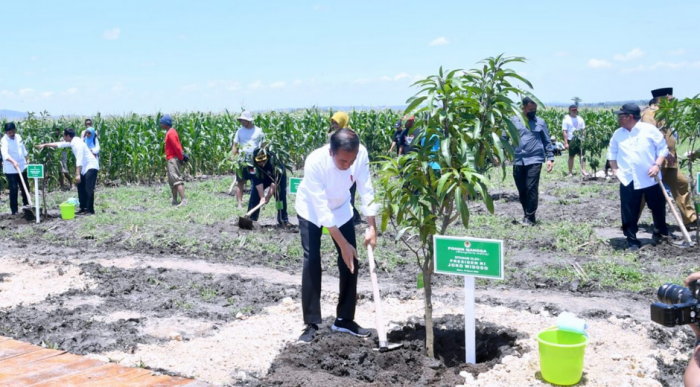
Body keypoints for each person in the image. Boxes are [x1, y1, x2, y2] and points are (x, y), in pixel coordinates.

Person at [295, 128, 378, 344]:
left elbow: (366, 189)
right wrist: (342, 243)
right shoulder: (315, 162)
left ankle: (344, 319)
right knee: (312, 260)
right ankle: (312, 323)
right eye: (342, 161)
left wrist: (372, 226)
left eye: (351, 161)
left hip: (341, 208)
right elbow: (321, 209)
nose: (347, 165)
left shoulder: (361, 156)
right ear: (331, 152)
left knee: (351, 261)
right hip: (311, 209)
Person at [607, 103, 673, 251]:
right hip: (627, 178)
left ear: (629, 117)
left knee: (657, 207)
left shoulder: (649, 130)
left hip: (650, 177)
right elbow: (612, 152)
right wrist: (615, 170)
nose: (618, 119)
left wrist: (657, 165)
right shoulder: (618, 134)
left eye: (621, 116)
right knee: (629, 210)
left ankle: (660, 232)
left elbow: (662, 148)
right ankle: (631, 240)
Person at [640, 87, 697, 229]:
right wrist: (665, 152)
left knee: (681, 183)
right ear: (662, 99)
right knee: (643, 194)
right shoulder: (649, 114)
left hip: (670, 162)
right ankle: (630, 221)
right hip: (656, 161)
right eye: (670, 99)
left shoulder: (665, 114)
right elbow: (650, 137)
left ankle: (690, 219)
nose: (673, 102)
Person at [508, 97, 555, 225]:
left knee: (531, 188)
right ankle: (527, 215)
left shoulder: (540, 122)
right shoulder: (513, 121)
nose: (533, 111)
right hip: (518, 159)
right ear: (523, 108)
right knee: (522, 189)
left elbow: (547, 141)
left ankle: (529, 217)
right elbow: (503, 137)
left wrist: (550, 158)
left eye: (535, 109)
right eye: (530, 109)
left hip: (535, 159)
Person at [36, 128, 99, 215]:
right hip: (84, 168)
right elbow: (59, 144)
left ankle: (90, 210)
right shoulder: (73, 141)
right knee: (80, 187)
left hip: (91, 166)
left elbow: (79, 160)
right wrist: (45, 145)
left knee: (88, 188)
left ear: (68, 136)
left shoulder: (78, 144)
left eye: (64, 135)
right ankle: (83, 208)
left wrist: (77, 174)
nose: (63, 137)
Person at [330, 112, 364, 225]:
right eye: (333, 123)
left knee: (349, 195)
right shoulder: (334, 135)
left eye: (337, 122)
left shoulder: (351, 136)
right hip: (336, 171)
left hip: (349, 171)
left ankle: (352, 218)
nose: (335, 125)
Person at [247, 147, 291, 227]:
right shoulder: (251, 165)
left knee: (280, 197)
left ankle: (283, 219)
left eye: (263, 160)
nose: (261, 162)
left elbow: (274, 182)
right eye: (259, 161)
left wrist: (268, 197)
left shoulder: (274, 162)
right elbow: (256, 181)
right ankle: (251, 218)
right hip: (262, 177)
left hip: (277, 179)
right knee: (254, 195)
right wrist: (262, 197)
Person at [232, 111, 265, 209]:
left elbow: (263, 146)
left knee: (256, 181)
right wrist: (233, 158)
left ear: (249, 121)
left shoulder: (259, 131)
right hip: (242, 161)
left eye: (243, 120)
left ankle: (260, 202)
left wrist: (262, 160)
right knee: (240, 181)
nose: (241, 122)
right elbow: (235, 146)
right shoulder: (239, 131)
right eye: (241, 120)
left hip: (254, 161)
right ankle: (239, 204)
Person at [1, 122, 30, 215]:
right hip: (10, 169)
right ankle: (14, 211)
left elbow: (23, 149)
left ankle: (27, 207)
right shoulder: (3, 141)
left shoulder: (18, 137)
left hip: (22, 166)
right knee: (14, 189)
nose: (12, 134)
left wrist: (27, 158)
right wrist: (13, 162)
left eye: (13, 131)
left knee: (25, 187)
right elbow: (5, 154)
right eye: (9, 132)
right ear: (6, 132)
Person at [160, 115, 187, 207]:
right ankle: (174, 200)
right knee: (172, 181)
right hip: (171, 159)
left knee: (176, 179)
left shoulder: (171, 133)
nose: (160, 124)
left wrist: (180, 157)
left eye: (162, 123)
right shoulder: (170, 132)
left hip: (173, 159)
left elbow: (177, 147)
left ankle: (183, 200)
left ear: (166, 124)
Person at [562, 105, 588, 177]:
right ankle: (570, 172)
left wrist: (584, 139)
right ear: (569, 110)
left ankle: (583, 170)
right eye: (572, 110)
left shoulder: (580, 119)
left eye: (575, 110)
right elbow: (565, 132)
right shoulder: (566, 119)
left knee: (582, 155)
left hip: (580, 140)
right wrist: (566, 143)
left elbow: (583, 130)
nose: (574, 112)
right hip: (571, 140)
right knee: (571, 156)